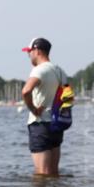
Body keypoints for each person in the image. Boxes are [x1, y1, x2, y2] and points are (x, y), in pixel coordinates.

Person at [20, 37, 68, 176]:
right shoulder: (60, 71)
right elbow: (68, 97)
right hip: (57, 125)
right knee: (53, 173)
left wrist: (33, 109)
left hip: (40, 125)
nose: (28, 55)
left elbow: (26, 91)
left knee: (42, 174)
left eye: (29, 51)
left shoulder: (39, 70)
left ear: (37, 50)